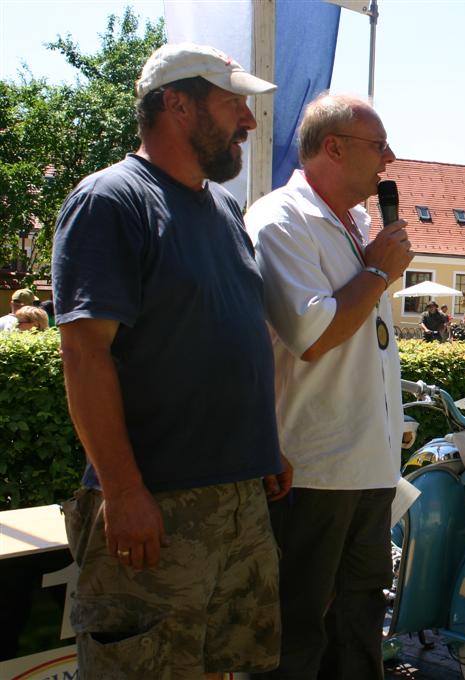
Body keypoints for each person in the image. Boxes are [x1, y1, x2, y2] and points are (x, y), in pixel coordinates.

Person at [51, 43, 288, 679]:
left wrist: (262, 446)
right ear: (176, 104)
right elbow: (83, 354)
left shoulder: (226, 212)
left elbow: (227, 336)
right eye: (234, 101)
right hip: (156, 508)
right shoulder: (111, 201)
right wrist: (123, 490)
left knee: (222, 669)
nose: (250, 119)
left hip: (239, 499)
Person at [244, 92, 411, 680]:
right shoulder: (279, 220)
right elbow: (311, 335)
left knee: (360, 624)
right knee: (298, 634)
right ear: (333, 147)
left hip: (367, 465)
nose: (389, 158)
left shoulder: (361, 223)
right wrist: (374, 272)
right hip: (311, 470)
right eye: (378, 145)